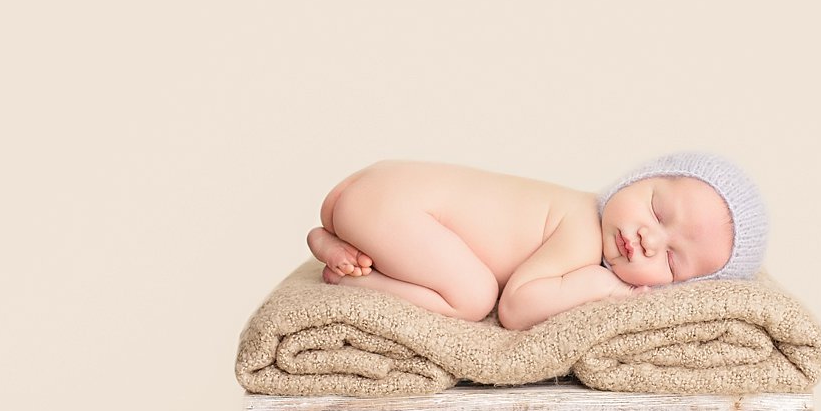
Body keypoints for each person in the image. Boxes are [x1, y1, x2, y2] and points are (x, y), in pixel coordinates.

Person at [306, 151, 768, 330]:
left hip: (374, 189)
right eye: (658, 211)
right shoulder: (584, 230)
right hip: (394, 207)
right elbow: (515, 307)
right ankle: (350, 281)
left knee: (449, 267)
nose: (648, 240)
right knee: (474, 296)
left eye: (671, 261)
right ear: (640, 177)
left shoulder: (578, 209)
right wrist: (604, 288)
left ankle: (334, 239)